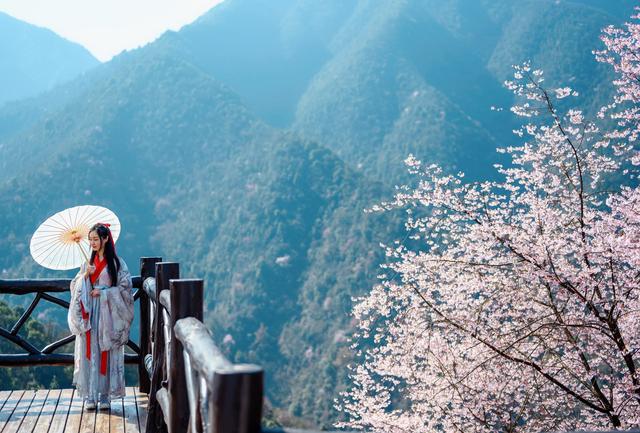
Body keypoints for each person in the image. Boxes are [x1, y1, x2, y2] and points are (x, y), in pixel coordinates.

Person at [68, 223, 134, 411]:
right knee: (90, 351)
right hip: (90, 314)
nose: (92, 243)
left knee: (106, 351)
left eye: (96, 239)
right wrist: (84, 278)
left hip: (108, 315)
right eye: (90, 239)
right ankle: (90, 395)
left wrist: (104, 292)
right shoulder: (86, 264)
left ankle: (104, 395)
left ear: (106, 239)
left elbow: (125, 289)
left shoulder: (117, 264)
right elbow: (75, 287)